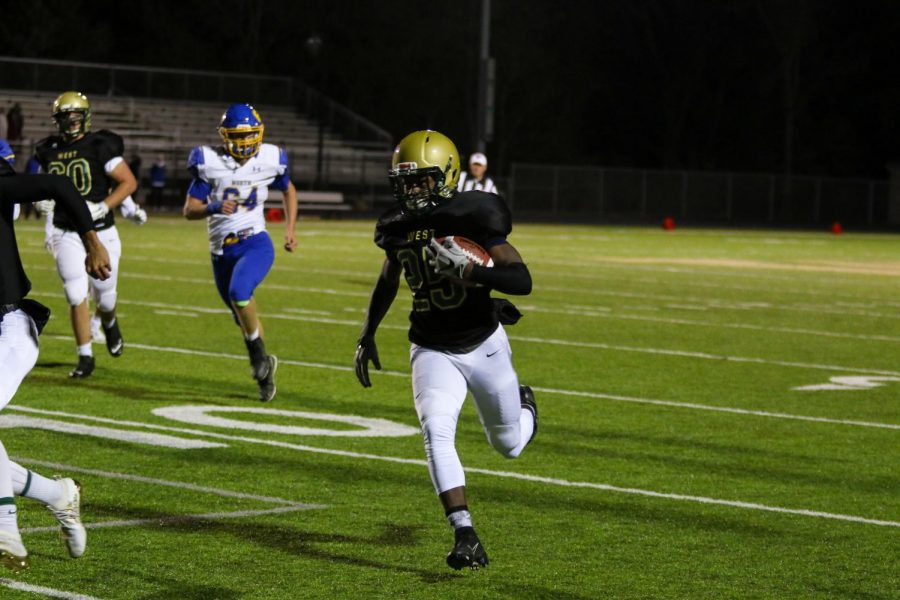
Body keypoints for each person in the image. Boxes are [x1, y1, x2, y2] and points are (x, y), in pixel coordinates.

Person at [354, 130, 537, 571]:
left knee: (509, 445)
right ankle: (465, 533)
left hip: (482, 343)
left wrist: (477, 276)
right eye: (405, 181)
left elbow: (523, 280)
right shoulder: (395, 225)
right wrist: (368, 333)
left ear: (448, 176)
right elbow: (388, 280)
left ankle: (526, 406)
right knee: (436, 431)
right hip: (431, 346)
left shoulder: (474, 213)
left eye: (421, 180)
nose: (411, 190)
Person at [1, 140, 110, 569]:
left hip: (9, 327)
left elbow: (61, 185)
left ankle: (6, 525)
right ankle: (58, 494)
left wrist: (92, 243)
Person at [183, 103, 298, 402]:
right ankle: (265, 369)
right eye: (237, 136)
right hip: (220, 251)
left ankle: (257, 355)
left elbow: (288, 190)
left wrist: (289, 229)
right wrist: (214, 206)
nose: (244, 142)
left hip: (255, 242)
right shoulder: (209, 162)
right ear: (224, 136)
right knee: (242, 316)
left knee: (240, 292)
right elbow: (189, 210)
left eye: (249, 136)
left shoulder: (272, 158)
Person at [32, 91, 138, 378]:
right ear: (58, 120)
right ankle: (85, 356)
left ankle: (110, 320)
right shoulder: (47, 149)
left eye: (77, 116)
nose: (73, 122)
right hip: (66, 230)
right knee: (75, 291)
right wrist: (37, 198)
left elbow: (128, 182)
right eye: (67, 117)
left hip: (102, 231)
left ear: (86, 117)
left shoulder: (99, 145)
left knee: (104, 295)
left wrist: (103, 206)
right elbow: (37, 184)